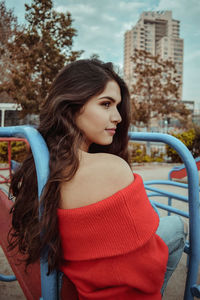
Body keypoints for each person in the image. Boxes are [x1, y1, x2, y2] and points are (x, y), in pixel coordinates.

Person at [8, 59, 186, 300]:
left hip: (69, 276)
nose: (118, 118)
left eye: (117, 106)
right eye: (106, 104)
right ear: (71, 106)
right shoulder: (113, 168)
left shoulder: (42, 164)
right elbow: (148, 251)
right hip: (112, 289)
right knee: (175, 226)